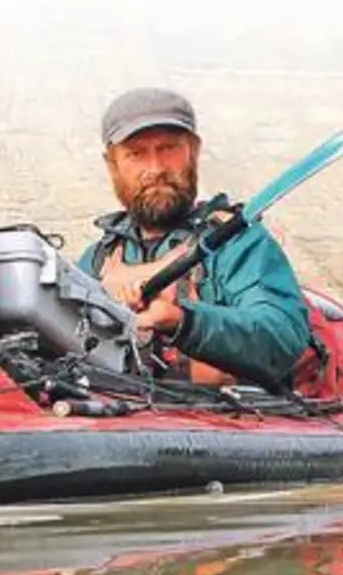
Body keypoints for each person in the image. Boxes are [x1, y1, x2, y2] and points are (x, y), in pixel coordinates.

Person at [76, 87, 313, 391]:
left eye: (169, 149)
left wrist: (182, 320)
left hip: (229, 427)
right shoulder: (96, 261)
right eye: (136, 154)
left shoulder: (237, 243)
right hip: (120, 423)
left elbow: (283, 337)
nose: (156, 168)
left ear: (194, 151)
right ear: (112, 164)